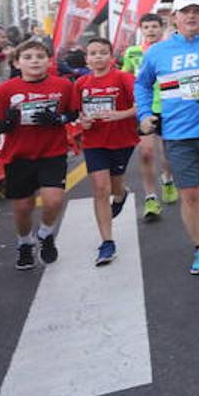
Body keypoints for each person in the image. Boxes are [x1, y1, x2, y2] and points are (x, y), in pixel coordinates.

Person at [133, 0, 199, 275]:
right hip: (178, 135)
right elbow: (141, 85)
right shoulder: (157, 52)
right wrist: (144, 115)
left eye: (197, 12)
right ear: (173, 18)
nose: (191, 17)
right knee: (188, 194)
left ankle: (196, 215)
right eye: (185, 12)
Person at [0, 39, 79, 270]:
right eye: (28, 57)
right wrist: (8, 121)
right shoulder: (5, 90)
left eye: (40, 56)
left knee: (54, 199)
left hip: (52, 152)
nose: (34, 61)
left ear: (49, 61)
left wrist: (58, 119)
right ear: (17, 63)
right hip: (19, 156)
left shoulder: (63, 85)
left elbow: (73, 113)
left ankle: (46, 233)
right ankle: (24, 243)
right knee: (23, 207)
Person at [76, 37, 139, 266]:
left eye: (103, 52)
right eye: (93, 53)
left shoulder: (123, 78)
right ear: (87, 59)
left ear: (112, 57)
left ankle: (121, 193)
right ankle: (107, 242)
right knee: (100, 188)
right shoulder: (81, 83)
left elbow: (141, 103)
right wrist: (83, 123)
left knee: (114, 186)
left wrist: (120, 115)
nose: (98, 57)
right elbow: (77, 114)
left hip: (122, 140)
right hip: (94, 142)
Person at [123, 12, 176, 222]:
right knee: (145, 153)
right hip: (144, 109)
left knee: (168, 153)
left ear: (161, 28)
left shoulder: (169, 50)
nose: (151, 31)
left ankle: (168, 180)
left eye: (154, 26)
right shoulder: (132, 52)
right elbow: (126, 77)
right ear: (141, 30)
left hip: (168, 107)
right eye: (146, 27)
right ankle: (150, 198)